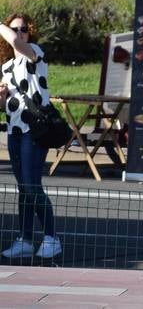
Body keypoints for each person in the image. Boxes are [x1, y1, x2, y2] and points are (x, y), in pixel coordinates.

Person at [0, 15, 61, 260]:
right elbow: (5, 105)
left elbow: (16, 42)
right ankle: (25, 239)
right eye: (17, 28)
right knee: (23, 188)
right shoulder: (6, 67)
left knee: (32, 186)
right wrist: (2, 96)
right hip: (14, 131)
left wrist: (3, 27)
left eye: (24, 29)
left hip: (34, 131)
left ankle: (51, 237)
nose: (20, 32)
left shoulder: (35, 53)